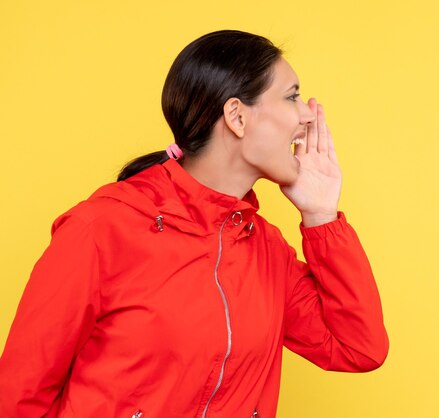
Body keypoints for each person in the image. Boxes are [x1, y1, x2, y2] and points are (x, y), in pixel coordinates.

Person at [0, 30, 389, 417]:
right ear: (236, 116)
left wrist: (321, 217)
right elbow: (18, 397)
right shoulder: (101, 230)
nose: (307, 115)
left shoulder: (266, 249)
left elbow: (357, 347)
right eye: (291, 96)